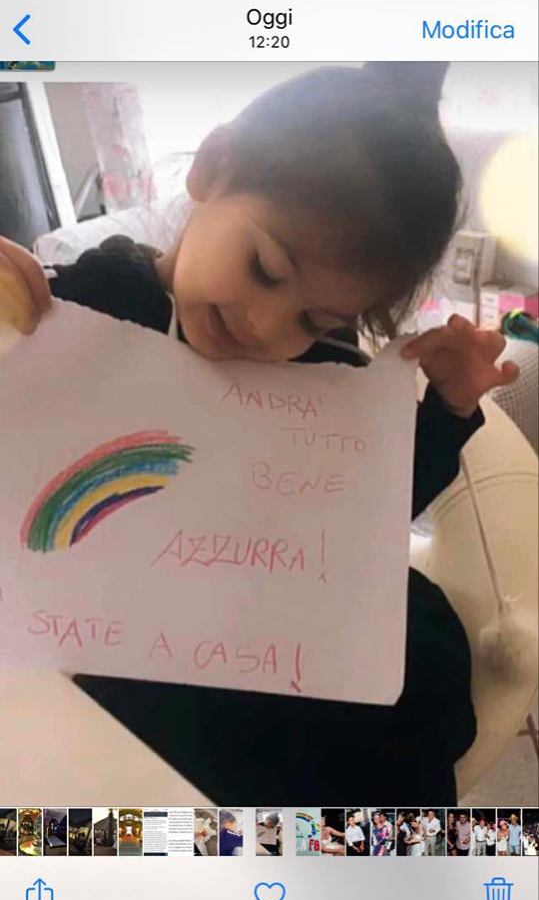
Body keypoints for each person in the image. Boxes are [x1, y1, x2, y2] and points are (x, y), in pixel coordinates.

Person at [0, 61, 519, 806]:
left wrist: (448, 409)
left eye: (316, 318)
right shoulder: (91, 303)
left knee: (414, 682)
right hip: (136, 640)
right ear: (211, 170)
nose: (266, 326)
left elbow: (367, 517)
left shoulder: (324, 368)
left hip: (284, 623)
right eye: (267, 270)